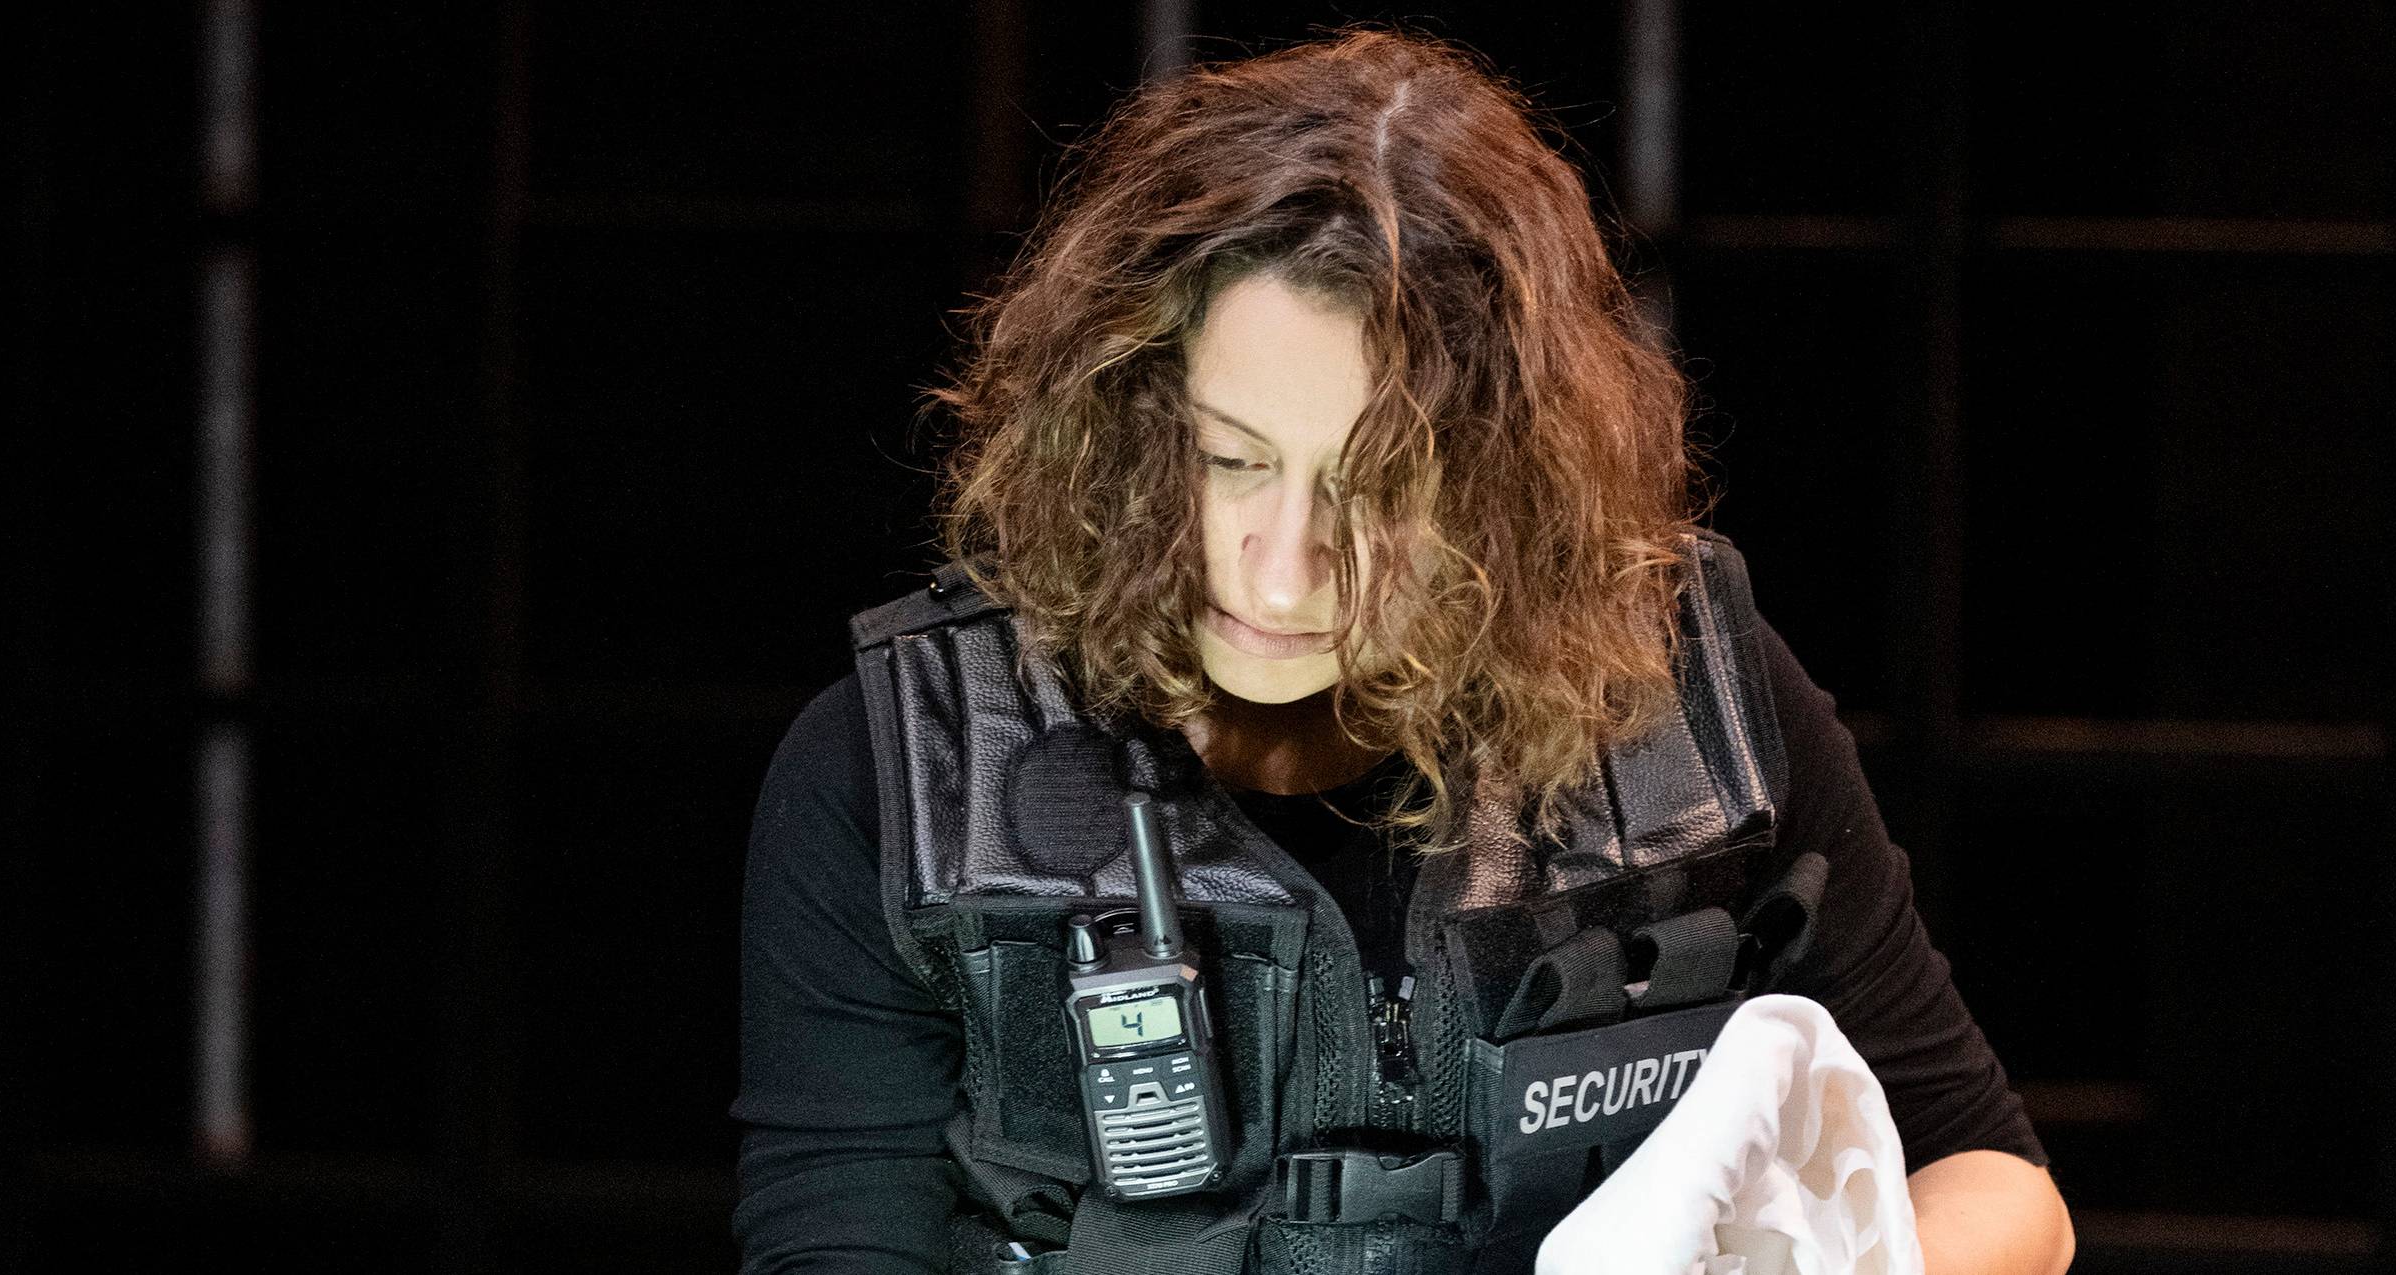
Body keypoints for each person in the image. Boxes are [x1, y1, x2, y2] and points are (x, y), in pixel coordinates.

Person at [734, 28, 2073, 1275]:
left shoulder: (1683, 692)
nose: (1284, 564)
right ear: (1124, 425)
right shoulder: (903, 770)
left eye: (1381, 492)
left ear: (1508, 490)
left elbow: (2000, 1186)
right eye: (1227, 460)